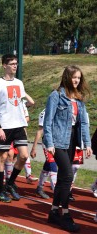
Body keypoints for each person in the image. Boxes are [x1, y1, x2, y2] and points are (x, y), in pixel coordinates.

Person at [44, 65, 92, 232]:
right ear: (66, 78)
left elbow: (84, 123)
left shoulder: (78, 99)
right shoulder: (56, 96)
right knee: (67, 176)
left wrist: (87, 144)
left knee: (64, 177)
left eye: (79, 77)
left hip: (72, 141)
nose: (77, 80)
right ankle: (65, 213)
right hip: (57, 141)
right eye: (74, 77)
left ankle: (53, 211)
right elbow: (48, 121)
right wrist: (49, 143)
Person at [0, 54, 31, 203]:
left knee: (24, 156)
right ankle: (1, 190)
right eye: (12, 63)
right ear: (4, 65)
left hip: (18, 125)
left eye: (16, 63)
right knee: (3, 157)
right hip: (5, 126)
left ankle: (10, 183)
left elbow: (21, 104)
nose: (15, 66)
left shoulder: (19, 83)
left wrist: (24, 123)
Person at [30, 109, 58, 199]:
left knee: (48, 165)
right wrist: (33, 148)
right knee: (53, 165)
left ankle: (39, 188)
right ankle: (57, 193)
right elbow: (40, 131)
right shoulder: (45, 112)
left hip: (59, 142)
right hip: (48, 143)